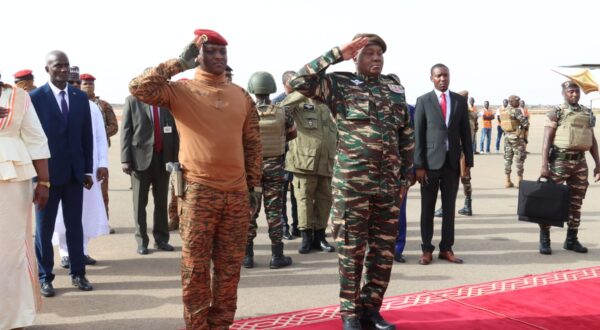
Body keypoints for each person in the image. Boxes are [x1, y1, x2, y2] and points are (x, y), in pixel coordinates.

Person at [128, 28, 262, 329]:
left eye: (222, 52)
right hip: (199, 193)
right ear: (197, 55)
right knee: (195, 269)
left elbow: (252, 143)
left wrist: (255, 186)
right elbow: (138, 88)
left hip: (237, 195)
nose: (217, 57)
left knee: (229, 270)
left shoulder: (241, 95)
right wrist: (177, 63)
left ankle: (221, 325)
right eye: (210, 51)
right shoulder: (181, 90)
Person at [290, 33, 414, 330]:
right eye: (368, 54)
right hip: (352, 185)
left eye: (379, 54)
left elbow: (405, 133)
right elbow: (299, 81)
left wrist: (405, 176)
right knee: (351, 249)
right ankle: (349, 313)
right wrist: (336, 53)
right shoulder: (338, 84)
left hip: (387, 184)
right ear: (355, 58)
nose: (376, 59)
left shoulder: (393, 87)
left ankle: (372, 309)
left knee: (383, 252)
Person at [30, 50, 95, 296]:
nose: (63, 70)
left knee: (74, 226)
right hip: (46, 177)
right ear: (47, 69)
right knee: (44, 229)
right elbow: (31, 139)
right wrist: (37, 177)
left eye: (66, 65)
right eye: (58, 66)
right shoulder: (35, 98)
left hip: (74, 175)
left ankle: (78, 273)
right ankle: (45, 277)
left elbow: (86, 136)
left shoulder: (79, 97)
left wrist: (87, 170)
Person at [0, 76, 50, 329]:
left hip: (13, 179)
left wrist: (44, 181)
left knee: (11, 250)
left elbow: (36, 138)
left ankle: (13, 317)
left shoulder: (20, 97)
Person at [414, 63, 473, 266]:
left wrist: (468, 163)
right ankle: (426, 249)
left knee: (449, 208)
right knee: (427, 208)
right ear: (431, 78)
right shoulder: (423, 101)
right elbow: (418, 135)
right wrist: (419, 165)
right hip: (429, 165)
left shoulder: (458, 101)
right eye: (438, 76)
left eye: (445, 75)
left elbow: (466, 132)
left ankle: (446, 248)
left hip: (452, 164)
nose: (442, 79)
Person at [52, 68, 110, 268]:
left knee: (86, 211)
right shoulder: (57, 103)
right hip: (62, 170)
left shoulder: (92, 107)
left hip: (88, 170)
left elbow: (101, 138)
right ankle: (65, 252)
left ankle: (82, 250)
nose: (75, 86)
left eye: (78, 83)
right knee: (62, 213)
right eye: (72, 83)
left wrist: (102, 163)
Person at [538, 81, 600, 255]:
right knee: (550, 201)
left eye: (576, 92)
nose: (574, 94)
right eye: (571, 92)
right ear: (564, 93)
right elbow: (546, 140)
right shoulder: (555, 112)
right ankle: (545, 239)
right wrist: (544, 165)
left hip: (580, 163)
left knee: (576, 203)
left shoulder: (586, 113)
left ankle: (571, 240)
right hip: (559, 162)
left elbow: (592, 139)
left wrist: (598, 164)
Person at [243, 71, 296, 269]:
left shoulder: (245, 113)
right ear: (272, 88)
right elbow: (292, 134)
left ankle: (247, 257)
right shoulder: (284, 111)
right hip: (275, 168)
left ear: (252, 89)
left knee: (250, 211)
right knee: (275, 212)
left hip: (252, 169)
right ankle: (277, 257)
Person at [120, 94, 179, 255]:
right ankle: (142, 241)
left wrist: (175, 158)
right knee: (139, 203)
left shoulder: (166, 101)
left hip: (163, 159)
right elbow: (126, 130)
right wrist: (125, 159)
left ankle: (161, 239)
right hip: (140, 160)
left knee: (161, 202)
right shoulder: (133, 101)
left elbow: (174, 131)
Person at [281, 89, 336, 254]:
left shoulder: (330, 102)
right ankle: (306, 237)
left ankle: (320, 236)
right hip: (304, 161)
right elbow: (282, 107)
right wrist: (303, 90)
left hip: (327, 160)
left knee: (324, 200)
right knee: (304, 199)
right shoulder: (299, 102)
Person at [80, 73, 119, 233]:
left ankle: (104, 223)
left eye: (90, 84)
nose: (88, 86)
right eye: (85, 84)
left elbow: (114, 126)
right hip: (80, 155)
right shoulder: (75, 103)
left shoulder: (103, 105)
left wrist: (99, 134)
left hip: (99, 155)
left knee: (102, 191)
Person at [433, 90, 476, 217]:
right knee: (465, 179)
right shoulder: (472, 114)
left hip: (456, 150)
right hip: (464, 150)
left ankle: (444, 207)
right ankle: (468, 205)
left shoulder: (457, 112)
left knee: (448, 181)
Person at [274, 70, 299, 240]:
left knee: (297, 195)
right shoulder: (277, 103)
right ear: (284, 84)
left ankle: (297, 226)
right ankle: (283, 228)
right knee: (281, 195)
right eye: (292, 84)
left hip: (300, 155)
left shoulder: (304, 101)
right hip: (282, 155)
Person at [395, 104, 417, 263]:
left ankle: (397, 249)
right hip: (374, 171)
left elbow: (413, 140)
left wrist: (413, 170)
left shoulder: (409, 110)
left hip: (400, 170)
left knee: (399, 211)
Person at [501, 95, 529, 188]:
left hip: (507, 137)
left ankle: (507, 181)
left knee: (507, 159)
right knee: (519, 159)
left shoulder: (504, 110)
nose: (518, 103)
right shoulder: (516, 111)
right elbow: (525, 122)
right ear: (512, 102)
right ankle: (519, 181)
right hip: (516, 138)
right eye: (517, 101)